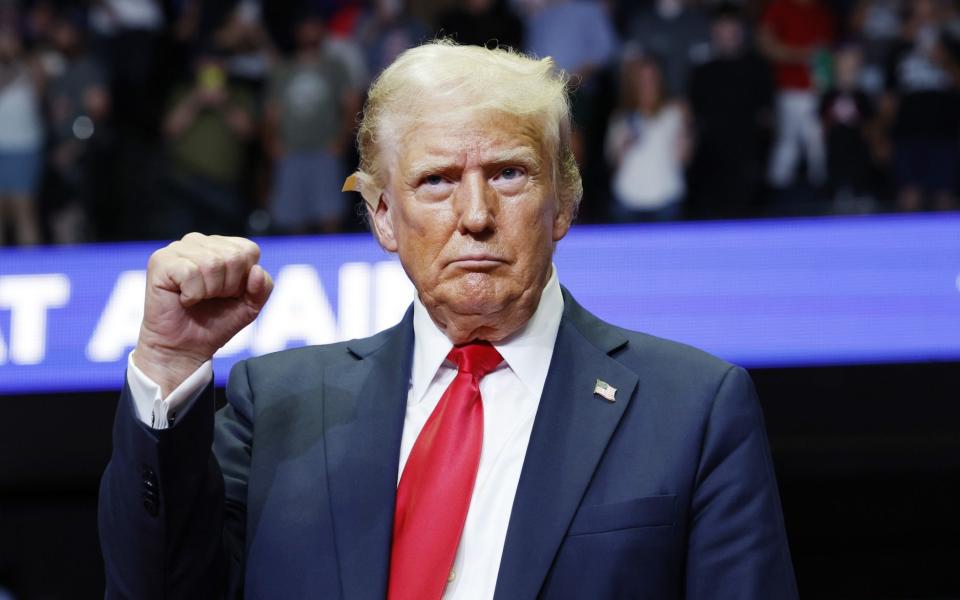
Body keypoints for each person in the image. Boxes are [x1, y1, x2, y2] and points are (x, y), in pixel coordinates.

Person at [99, 41, 798, 599]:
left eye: (509, 174)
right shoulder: (275, 407)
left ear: (564, 201)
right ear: (382, 216)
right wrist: (168, 366)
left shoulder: (693, 410)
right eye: (436, 180)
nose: (475, 215)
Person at [605, 52, 692, 221]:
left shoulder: (674, 113)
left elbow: (684, 158)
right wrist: (624, 144)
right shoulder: (622, 117)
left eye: (652, 78)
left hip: (666, 198)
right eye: (641, 79)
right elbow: (613, 161)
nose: (647, 84)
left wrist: (688, 126)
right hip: (628, 199)